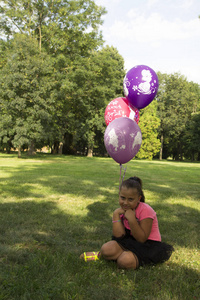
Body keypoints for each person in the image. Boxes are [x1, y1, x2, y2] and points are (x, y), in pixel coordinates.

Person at [80, 176, 174, 269]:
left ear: (138, 198)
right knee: (106, 249)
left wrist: (132, 219)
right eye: (122, 198)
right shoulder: (122, 210)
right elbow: (119, 236)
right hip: (130, 240)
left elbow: (142, 239)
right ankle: (103, 255)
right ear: (119, 195)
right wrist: (116, 214)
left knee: (124, 261)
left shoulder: (146, 210)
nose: (125, 203)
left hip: (147, 244)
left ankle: (124, 256)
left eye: (130, 199)